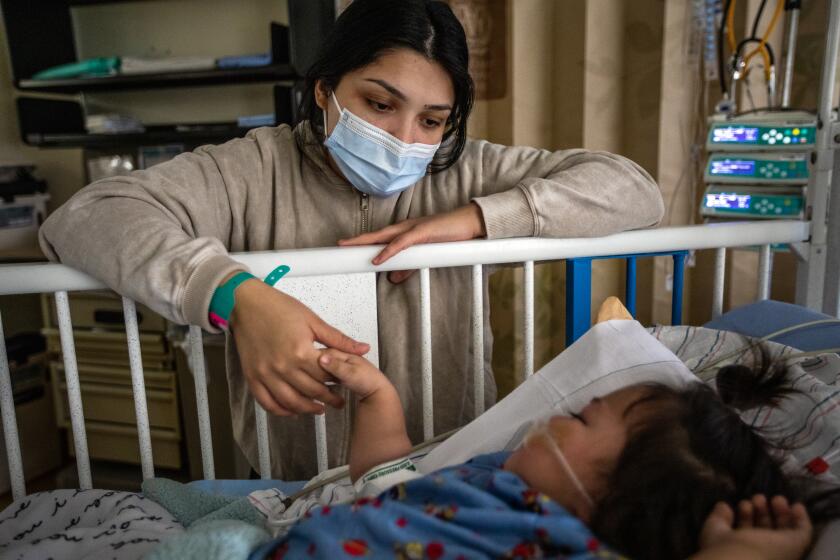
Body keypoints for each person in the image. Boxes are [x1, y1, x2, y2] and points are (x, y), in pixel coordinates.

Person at [38, 0, 664, 478]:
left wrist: (479, 219)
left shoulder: (465, 167)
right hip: (300, 477)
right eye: (378, 103)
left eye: (431, 120)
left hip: (449, 454)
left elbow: (635, 189)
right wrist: (237, 296)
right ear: (324, 89)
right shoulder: (250, 169)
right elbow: (87, 216)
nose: (404, 138)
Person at [251, 341, 839, 559]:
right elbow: (384, 482)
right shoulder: (490, 482)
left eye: (583, 419)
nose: (557, 417)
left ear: (622, 497)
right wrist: (378, 395)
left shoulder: (558, 544)